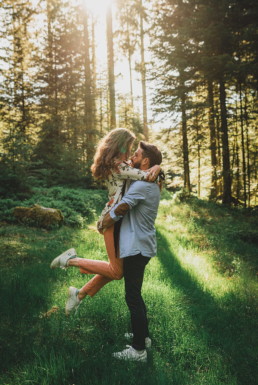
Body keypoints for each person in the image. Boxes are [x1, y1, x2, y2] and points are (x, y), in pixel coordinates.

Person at [50, 128, 161, 315]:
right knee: (116, 271)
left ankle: (78, 295)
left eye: (134, 149)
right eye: (130, 146)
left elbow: (142, 173)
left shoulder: (118, 163)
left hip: (116, 220)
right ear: (121, 145)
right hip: (113, 221)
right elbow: (146, 175)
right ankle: (70, 260)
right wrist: (157, 167)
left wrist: (156, 166)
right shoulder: (119, 166)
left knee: (117, 269)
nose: (131, 151)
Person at [101, 141, 162, 362]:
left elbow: (123, 207)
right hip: (142, 245)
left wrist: (103, 222)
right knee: (136, 294)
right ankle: (142, 337)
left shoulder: (143, 185)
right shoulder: (149, 181)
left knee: (133, 297)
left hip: (137, 246)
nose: (132, 158)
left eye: (136, 155)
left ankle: (138, 351)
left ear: (145, 161)